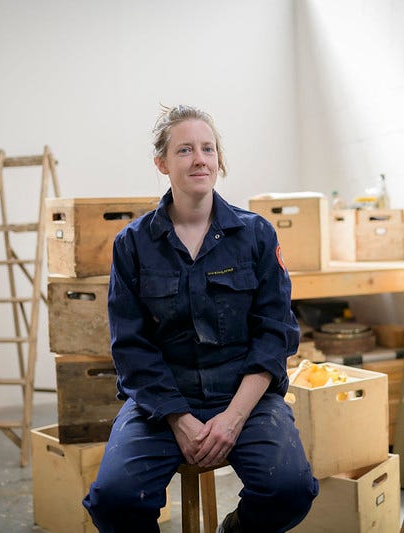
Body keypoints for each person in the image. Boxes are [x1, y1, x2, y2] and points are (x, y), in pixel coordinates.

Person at [83, 105, 318, 532]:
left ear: (219, 160)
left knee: (290, 489)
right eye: (185, 149)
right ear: (162, 163)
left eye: (208, 148)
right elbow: (131, 348)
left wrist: (233, 418)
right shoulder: (132, 245)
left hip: (244, 397)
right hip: (161, 403)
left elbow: (274, 335)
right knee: (113, 501)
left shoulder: (256, 235)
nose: (199, 159)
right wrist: (179, 419)